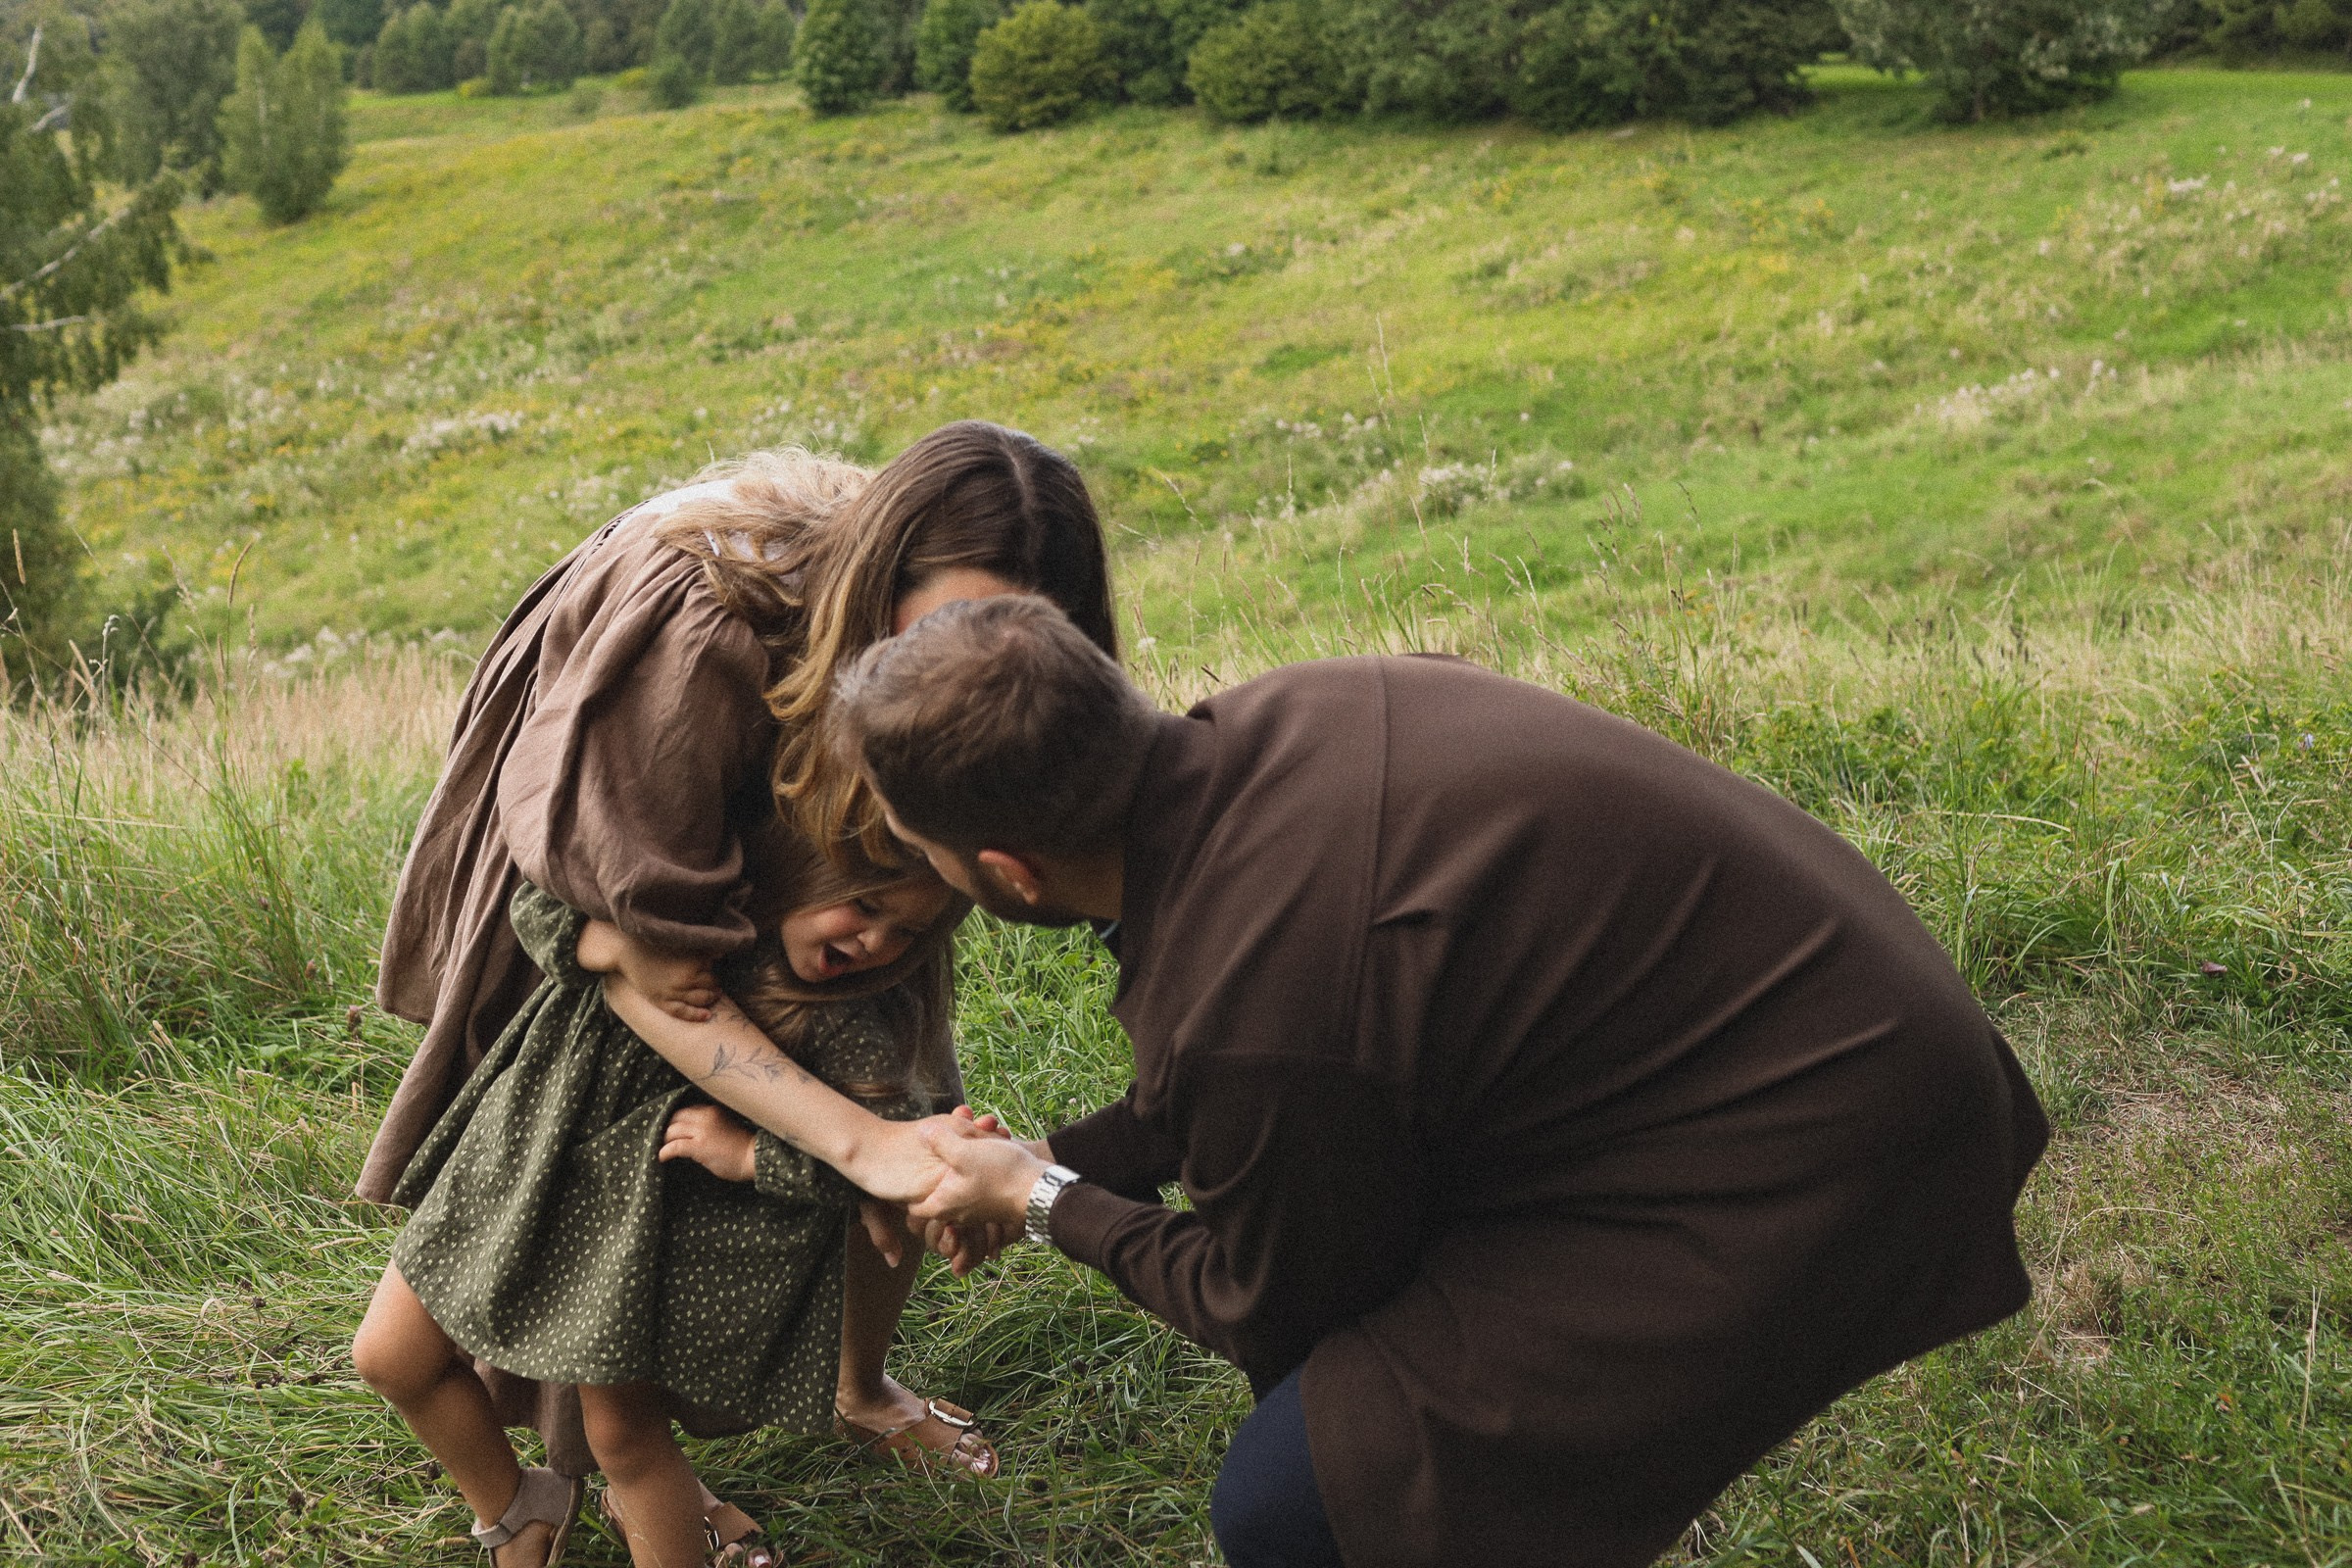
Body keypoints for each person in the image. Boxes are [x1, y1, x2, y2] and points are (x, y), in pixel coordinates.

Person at [831, 596, 2052, 1568]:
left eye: (920, 846)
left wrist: (1042, 1198)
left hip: (1820, 1143)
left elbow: (1268, 1304)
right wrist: (1064, 1157)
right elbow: (1278, 1062)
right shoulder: (1291, 715)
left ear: (1010, 872)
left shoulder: (1256, 999)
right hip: (1835, 1025)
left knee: (1305, 1497)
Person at [359, 425, 1117, 1560]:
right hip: (604, 1043)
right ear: (875, 586)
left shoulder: (875, 934)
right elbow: (617, 935)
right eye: (947, 630)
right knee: (859, 1157)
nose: (972, 672)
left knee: (884, 1129)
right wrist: (611, 946)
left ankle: (847, 1393)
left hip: (735, 1024)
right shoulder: (702, 632)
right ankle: (566, 1493)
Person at [354, 852, 973, 1567]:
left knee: (622, 1433)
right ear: (805, 868)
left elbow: (876, 1154)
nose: (876, 944)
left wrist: (751, 1154)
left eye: (906, 932)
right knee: (390, 1355)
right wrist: (613, 944)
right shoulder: (689, 895)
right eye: (866, 907)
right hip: (524, 1158)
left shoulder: (847, 1008)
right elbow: (539, 899)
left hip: (632, 1226)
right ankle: (519, 1508)